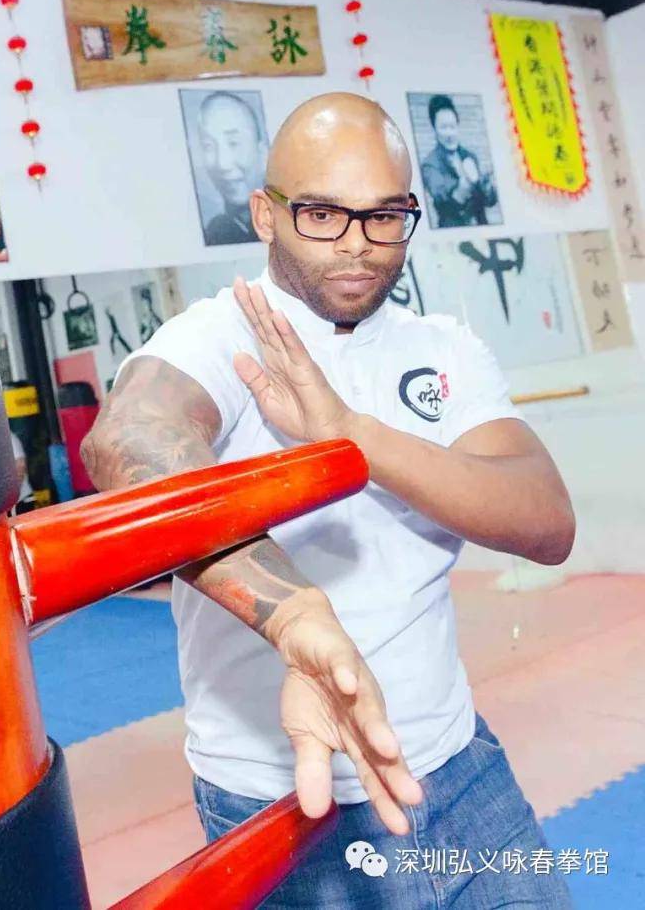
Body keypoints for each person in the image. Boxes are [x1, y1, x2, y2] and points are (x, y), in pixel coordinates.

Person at [80, 92, 575, 907]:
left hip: (461, 769)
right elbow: (129, 440)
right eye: (321, 214)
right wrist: (297, 617)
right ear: (265, 215)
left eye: (384, 216)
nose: (356, 243)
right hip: (284, 797)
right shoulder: (222, 336)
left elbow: (547, 522)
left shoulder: (443, 348)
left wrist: (354, 435)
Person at [197, 92, 267, 245]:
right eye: (208, 146)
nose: (222, 164)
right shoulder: (216, 233)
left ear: (263, 153)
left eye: (233, 143)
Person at [420, 95, 498, 227]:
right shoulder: (430, 165)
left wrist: (487, 187)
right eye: (443, 127)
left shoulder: (470, 156)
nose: (449, 134)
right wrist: (464, 186)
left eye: (452, 126)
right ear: (434, 129)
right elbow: (445, 204)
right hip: (453, 231)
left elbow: (489, 201)